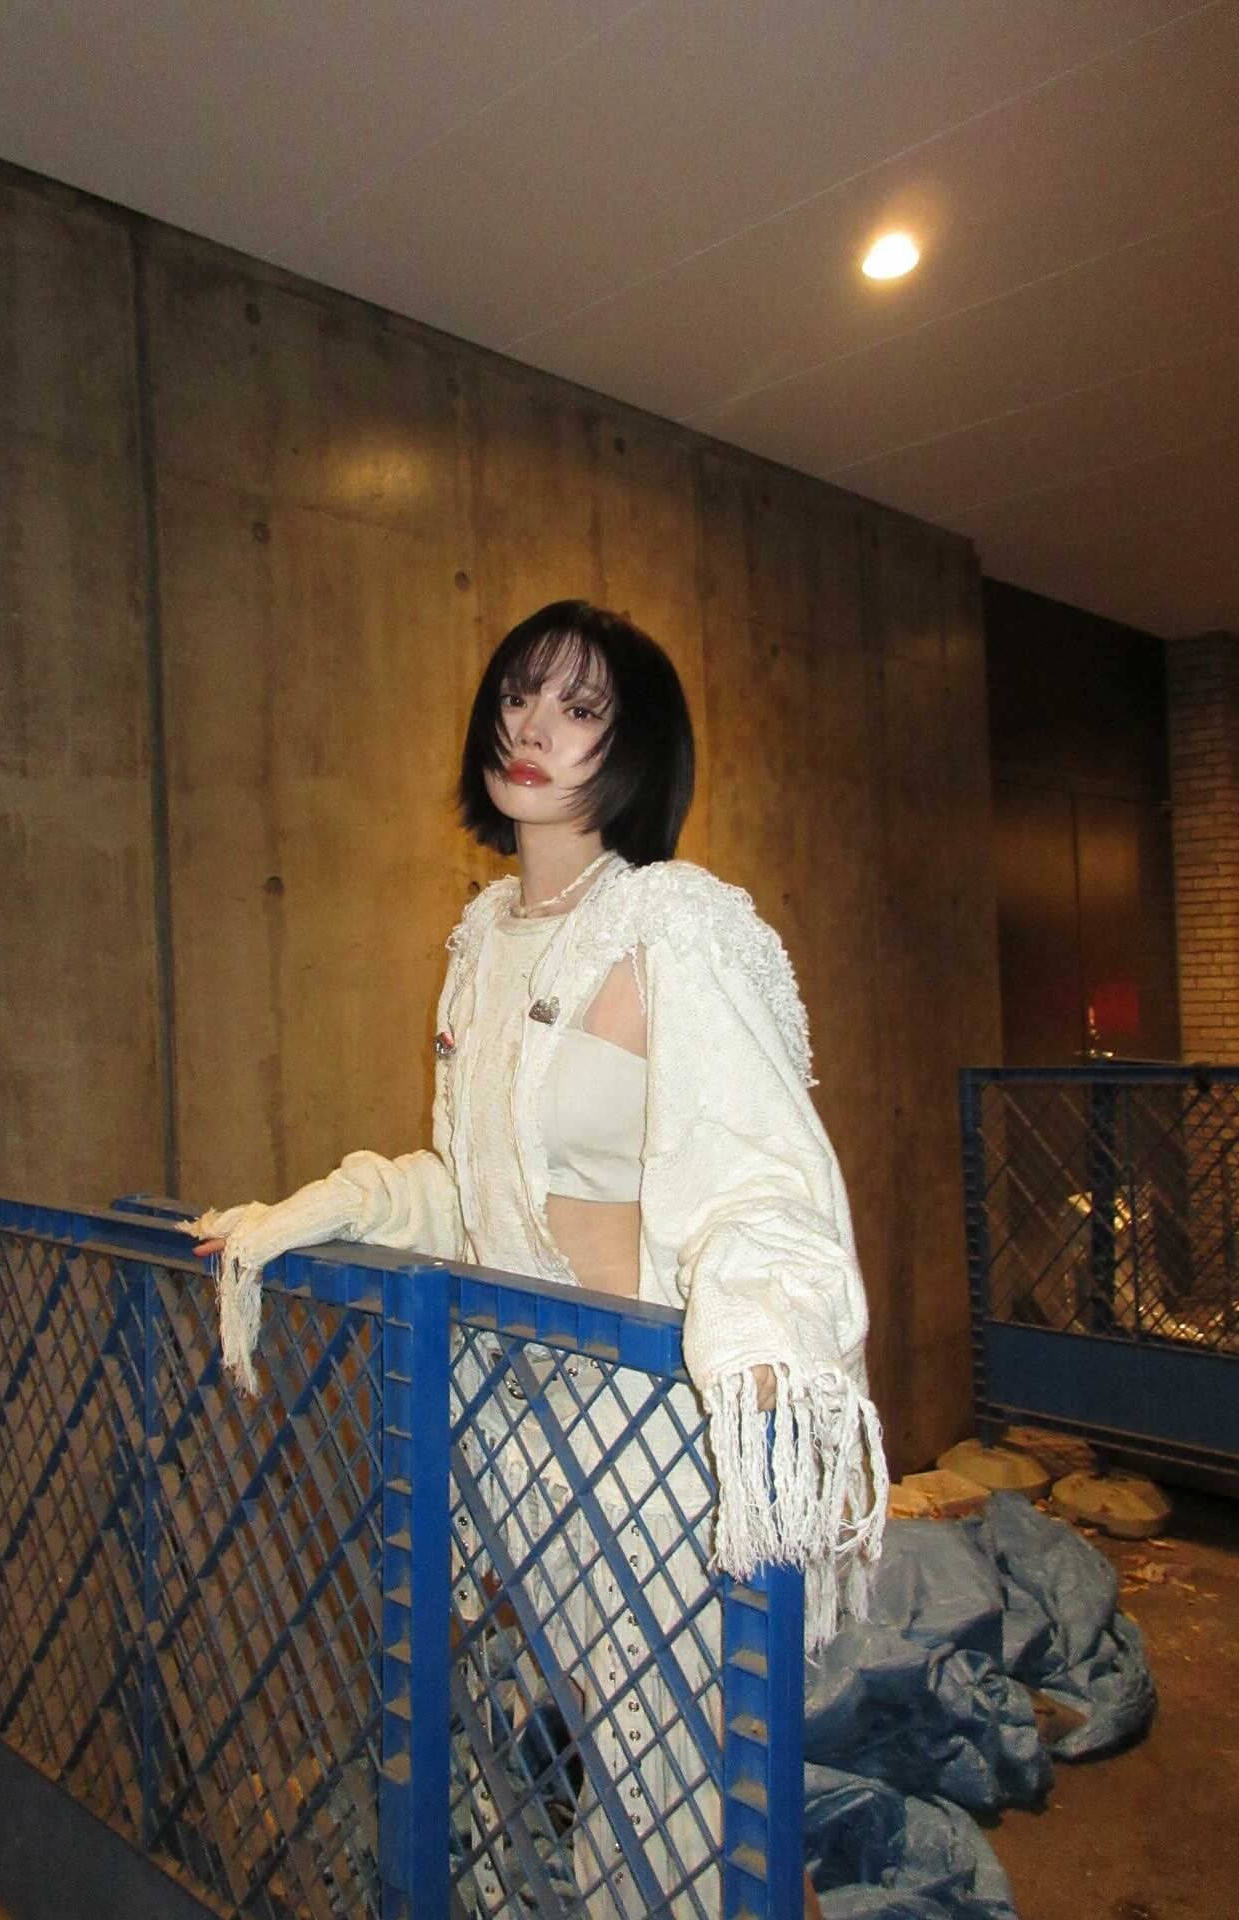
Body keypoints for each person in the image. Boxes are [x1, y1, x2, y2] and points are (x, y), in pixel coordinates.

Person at [187, 600, 885, 1916]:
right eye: (519, 695)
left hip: (656, 1438)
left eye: (580, 708)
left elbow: (764, 1172)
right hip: (522, 1439)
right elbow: (474, 1188)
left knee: (679, 1789)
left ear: (637, 745)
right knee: (617, 1761)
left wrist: (768, 1332)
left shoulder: (673, 925)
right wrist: (315, 1211)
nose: (533, 726)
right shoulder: (481, 944)